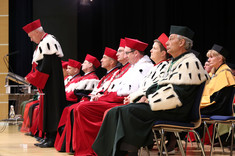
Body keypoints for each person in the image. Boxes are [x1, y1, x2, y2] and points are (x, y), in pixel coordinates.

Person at [92, 26, 209, 156]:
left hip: (176, 110)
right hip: (165, 105)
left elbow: (178, 93)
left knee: (127, 111)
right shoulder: (176, 62)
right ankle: (113, 152)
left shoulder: (190, 62)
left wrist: (150, 99)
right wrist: (146, 96)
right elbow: (159, 85)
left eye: (171, 39)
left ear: (181, 43)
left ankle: (128, 152)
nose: (167, 43)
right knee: (116, 111)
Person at [72, 37, 153, 156]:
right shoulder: (132, 67)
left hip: (128, 102)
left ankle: (97, 150)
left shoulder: (144, 67)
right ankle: (87, 149)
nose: (124, 55)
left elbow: (130, 91)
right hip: (119, 100)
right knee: (81, 107)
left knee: (84, 108)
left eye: (127, 52)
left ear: (135, 53)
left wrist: (103, 97)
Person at [54, 47, 120, 152]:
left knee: (75, 108)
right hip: (98, 100)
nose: (101, 60)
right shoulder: (105, 76)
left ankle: (81, 146)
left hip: (108, 102)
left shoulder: (96, 77)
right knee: (71, 108)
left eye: (104, 58)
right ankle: (70, 145)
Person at [22, 19, 66, 148]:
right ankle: (48, 136)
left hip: (51, 83)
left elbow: (46, 66)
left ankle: (52, 138)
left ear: (36, 32)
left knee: (52, 108)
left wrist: (32, 77)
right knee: (47, 108)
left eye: (30, 36)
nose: (30, 40)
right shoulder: (44, 42)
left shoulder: (48, 41)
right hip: (47, 83)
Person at [200, 44, 235, 115]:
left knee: (189, 111)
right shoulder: (215, 72)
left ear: (220, 58)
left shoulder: (225, 72)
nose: (208, 60)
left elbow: (216, 99)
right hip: (213, 104)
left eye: (211, 57)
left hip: (217, 107)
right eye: (208, 57)